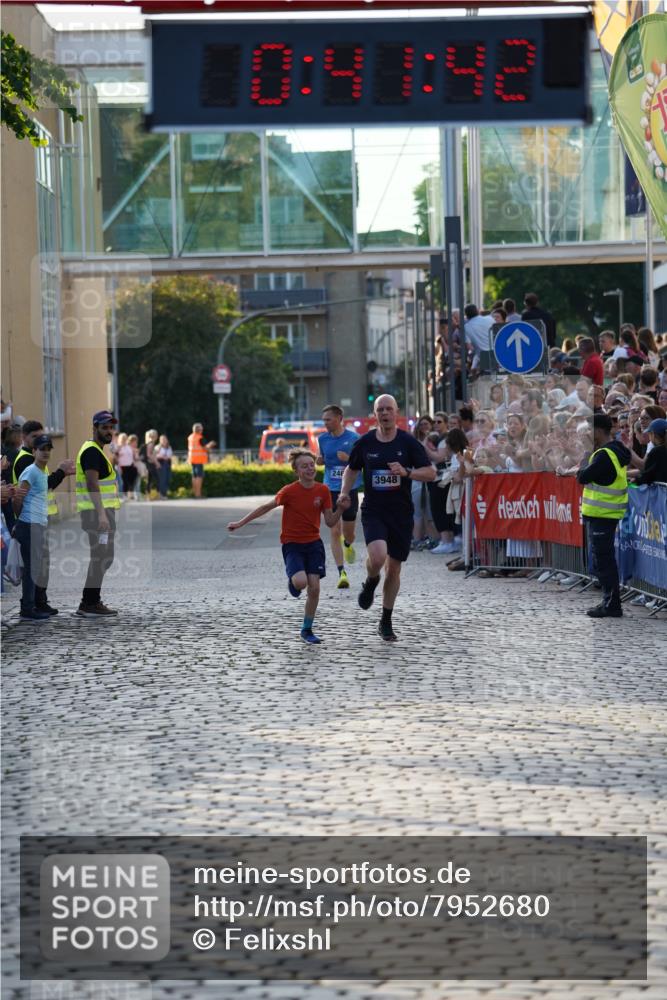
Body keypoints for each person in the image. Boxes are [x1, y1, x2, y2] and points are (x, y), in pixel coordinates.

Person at [338, 394, 436, 642]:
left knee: (394, 568)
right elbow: (351, 469)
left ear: (396, 412)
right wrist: (344, 493)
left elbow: (431, 473)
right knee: (379, 556)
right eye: (380, 409)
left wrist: (407, 472)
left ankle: (386, 619)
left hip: (401, 513)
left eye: (388, 409)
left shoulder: (408, 442)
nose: (384, 413)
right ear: (375, 414)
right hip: (374, 510)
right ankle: (371, 580)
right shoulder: (366, 443)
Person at [227, 449, 349, 645]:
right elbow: (266, 507)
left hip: (313, 544)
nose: (310, 468)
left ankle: (307, 629)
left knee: (315, 588)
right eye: (304, 466)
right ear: (296, 471)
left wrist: (341, 508)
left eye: (311, 465)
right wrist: (241, 523)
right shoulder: (289, 491)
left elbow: (329, 521)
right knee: (301, 583)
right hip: (292, 544)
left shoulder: (323, 490)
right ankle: (293, 582)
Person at [576, 413, 631, 618]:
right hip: (605, 513)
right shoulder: (614, 450)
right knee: (603, 560)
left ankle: (612, 604)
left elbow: (583, 476)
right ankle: (609, 601)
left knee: (604, 561)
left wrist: (583, 456)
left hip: (603, 514)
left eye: (589, 430)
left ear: (598, 431)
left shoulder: (605, 454)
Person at [75, 410, 121, 617]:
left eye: (111, 427)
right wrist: (102, 515)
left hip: (101, 513)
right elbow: (92, 483)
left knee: (104, 557)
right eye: (104, 427)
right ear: (95, 428)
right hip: (96, 514)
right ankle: (89, 603)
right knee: (101, 557)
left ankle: (90, 601)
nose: (109, 431)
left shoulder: (97, 450)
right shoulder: (92, 451)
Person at [317, 405, 361, 590]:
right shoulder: (322, 439)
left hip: (349, 489)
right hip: (330, 488)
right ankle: (341, 573)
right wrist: (320, 460)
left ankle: (348, 543)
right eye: (324, 420)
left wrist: (348, 459)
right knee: (334, 530)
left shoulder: (354, 439)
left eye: (328, 419)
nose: (325, 423)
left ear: (339, 418)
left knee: (348, 532)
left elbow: (361, 464)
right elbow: (323, 459)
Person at [12, 434, 55, 621]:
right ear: (34, 451)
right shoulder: (31, 471)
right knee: (31, 568)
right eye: (41, 449)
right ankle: (27, 608)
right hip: (29, 524)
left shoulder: (42, 471)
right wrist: (19, 521)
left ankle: (35, 604)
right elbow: (18, 498)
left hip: (38, 524)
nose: (45, 452)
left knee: (37, 567)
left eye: (48, 449)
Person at [12, 419, 75, 517]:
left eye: (40, 436)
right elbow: (43, 485)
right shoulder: (26, 459)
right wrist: (61, 472)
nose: (38, 440)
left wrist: (63, 473)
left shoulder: (34, 457)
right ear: (24, 437)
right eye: (34, 436)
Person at [630, 418, 667, 484]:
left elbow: (647, 475)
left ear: (653, 434)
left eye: (649, 434)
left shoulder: (656, 451)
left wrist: (636, 480)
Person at [187, 422, 216, 498]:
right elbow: (205, 448)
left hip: (192, 459)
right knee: (199, 477)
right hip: (199, 460)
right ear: (199, 430)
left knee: (194, 476)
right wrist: (211, 444)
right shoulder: (200, 438)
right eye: (201, 428)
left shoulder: (190, 437)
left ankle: (195, 493)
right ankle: (198, 494)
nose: (202, 430)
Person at [155, 434, 173, 499]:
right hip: (161, 463)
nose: (164, 441)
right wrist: (162, 456)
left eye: (165, 439)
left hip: (168, 463)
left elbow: (170, 455)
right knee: (162, 479)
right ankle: (162, 494)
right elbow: (155, 456)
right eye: (162, 439)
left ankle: (165, 493)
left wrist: (168, 457)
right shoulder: (158, 447)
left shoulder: (169, 447)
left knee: (168, 478)